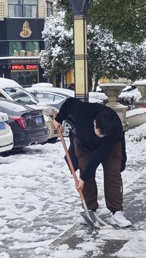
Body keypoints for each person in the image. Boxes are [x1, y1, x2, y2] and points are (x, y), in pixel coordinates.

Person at [54, 97, 131, 228]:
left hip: (110, 147)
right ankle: (89, 209)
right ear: (94, 123)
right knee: (86, 172)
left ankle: (116, 212)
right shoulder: (82, 110)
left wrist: (82, 179)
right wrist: (58, 119)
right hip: (84, 144)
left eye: (103, 135)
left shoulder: (113, 129)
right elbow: (69, 103)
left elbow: (99, 155)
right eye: (99, 133)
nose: (100, 136)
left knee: (113, 174)